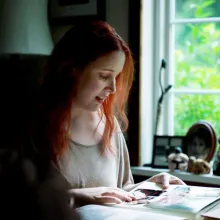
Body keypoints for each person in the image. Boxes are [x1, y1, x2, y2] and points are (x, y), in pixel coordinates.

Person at [31, 20, 186, 207]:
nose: (112, 88)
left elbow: (118, 191)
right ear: (71, 70)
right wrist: (77, 196)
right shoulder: (33, 128)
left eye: (116, 77)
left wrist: (150, 185)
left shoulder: (109, 125)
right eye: (104, 76)